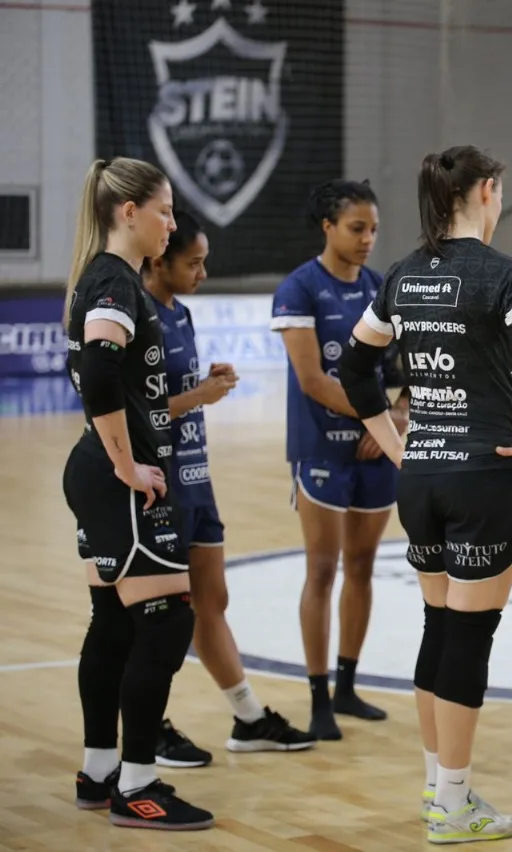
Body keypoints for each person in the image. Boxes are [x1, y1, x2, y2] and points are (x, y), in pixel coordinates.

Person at [336, 144, 512, 843]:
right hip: (483, 478)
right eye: (500, 191)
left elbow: (356, 368)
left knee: (439, 631)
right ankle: (453, 802)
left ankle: (437, 786)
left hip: (422, 479)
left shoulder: (402, 276)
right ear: (485, 192)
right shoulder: (506, 277)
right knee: (468, 640)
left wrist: (396, 447)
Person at [61, 157, 212, 829]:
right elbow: (99, 369)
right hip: (115, 477)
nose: (171, 224)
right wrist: (128, 465)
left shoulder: (104, 277)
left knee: (116, 622)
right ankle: (139, 785)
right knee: (168, 619)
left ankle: (99, 772)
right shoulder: (116, 282)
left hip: (95, 470)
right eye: (165, 211)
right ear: (129, 213)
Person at [143, 211, 316, 764]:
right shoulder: (134, 316)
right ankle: (147, 728)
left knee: (211, 601)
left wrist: (202, 386)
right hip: (155, 488)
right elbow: (128, 413)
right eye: (192, 263)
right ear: (158, 260)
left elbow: (174, 395)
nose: (202, 272)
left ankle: (248, 719)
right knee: (159, 618)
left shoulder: (181, 314)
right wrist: (198, 397)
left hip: (196, 480)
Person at [270, 179, 408, 740]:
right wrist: (378, 417)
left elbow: (406, 374)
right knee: (322, 570)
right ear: (327, 227)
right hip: (321, 448)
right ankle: (318, 695)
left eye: (373, 228)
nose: (368, 239)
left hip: (376, 450)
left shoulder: (380, 288)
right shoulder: (299, 289)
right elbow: (313, 381)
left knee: (362, 568)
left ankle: (348, 687)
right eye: (357, 228)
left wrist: (397, 418)